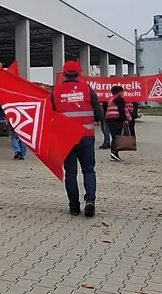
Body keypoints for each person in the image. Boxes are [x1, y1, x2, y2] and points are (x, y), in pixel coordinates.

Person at [49, 60, 99, 217]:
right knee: (89, 170)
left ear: (63, 74)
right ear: (80, 73)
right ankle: (90, 200)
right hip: (86, 137)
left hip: (66, 139)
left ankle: (74, 206)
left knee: (70, 173)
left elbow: (50, 115)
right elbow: (99, 113)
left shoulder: (55, 92)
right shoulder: (87, 89)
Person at [105, 85, 129, 163]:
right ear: (119, 92)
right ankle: (114, 153)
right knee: (117, 137)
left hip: (109, 120)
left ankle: (114, 153)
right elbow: (122, 110)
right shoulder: (119, 99)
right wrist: (126, 119)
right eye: (122, 92)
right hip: (116, 120)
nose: (123, 93)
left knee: (114, 136)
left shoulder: (111, 99)